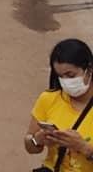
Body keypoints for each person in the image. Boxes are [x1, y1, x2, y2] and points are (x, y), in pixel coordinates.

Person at [25, 39, 93, 172]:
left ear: (89, 70)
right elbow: (29, 145)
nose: (66, 82)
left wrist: (84, 147)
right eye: (61, 76)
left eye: (71, 75)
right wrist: (37, 140)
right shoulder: (49, 99)